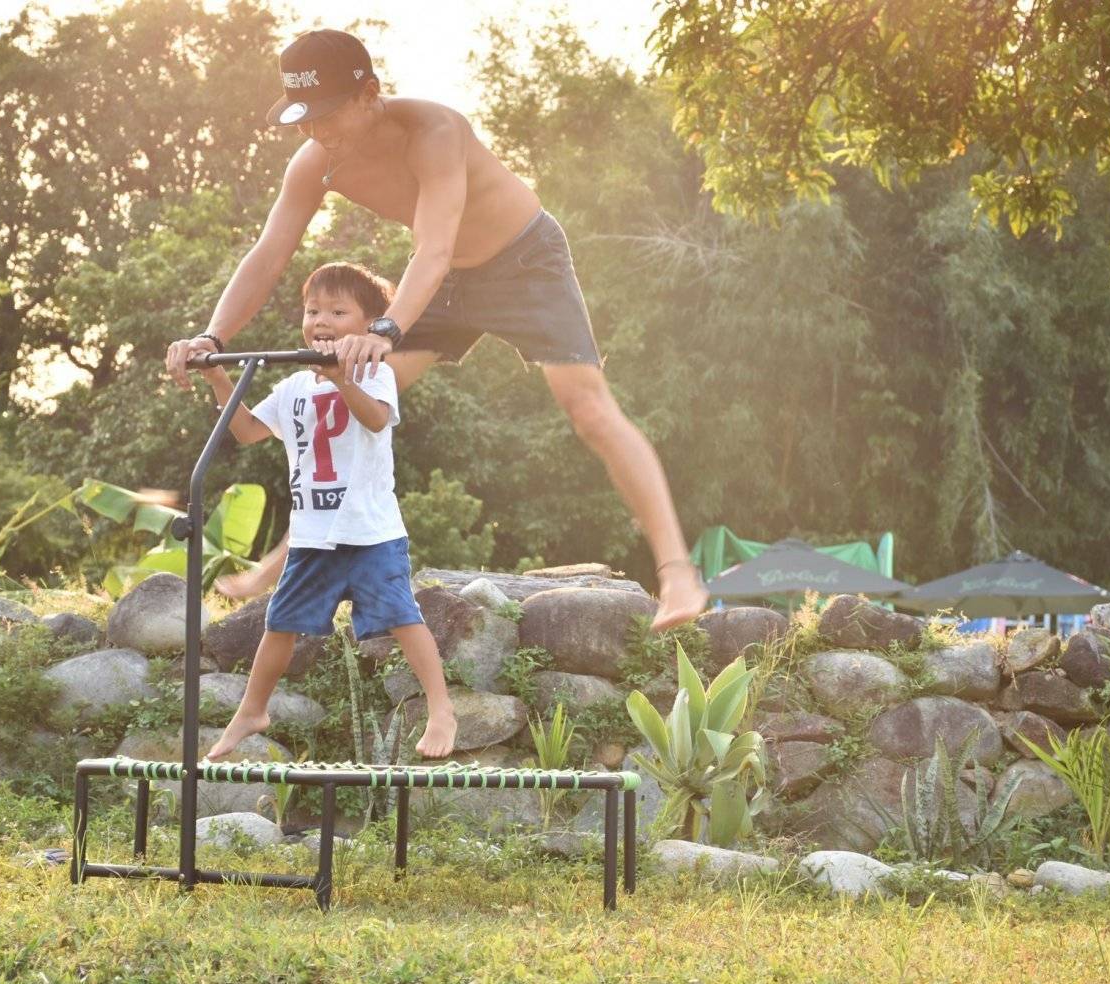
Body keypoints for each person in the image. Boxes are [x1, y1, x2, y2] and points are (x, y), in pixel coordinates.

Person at [164, 28, 708, 630]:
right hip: (443, 279)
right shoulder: (314, 163)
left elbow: (434, 244)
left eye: (327, 114)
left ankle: (677, 573)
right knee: (346, 401)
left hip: (524, 261)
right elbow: (268, 255)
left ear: (369, 93)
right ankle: (285, 562)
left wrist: (388, 327)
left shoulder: (436, 131)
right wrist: (212, 338)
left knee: (587, 408)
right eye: (303, 119)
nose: (315, 131)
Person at [196, 261, 456, 761]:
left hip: (369, 532)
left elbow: (376, 420)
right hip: (314, 534)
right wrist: (218, 381)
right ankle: (252, 709)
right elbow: (248, 430)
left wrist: (341, 380)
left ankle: (440, 707)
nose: (322, 320)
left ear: (370, 324)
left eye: (339, 311)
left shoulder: (375, 372)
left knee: (403, 616)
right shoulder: (294, 386)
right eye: (313, 310)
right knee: (280, 622)